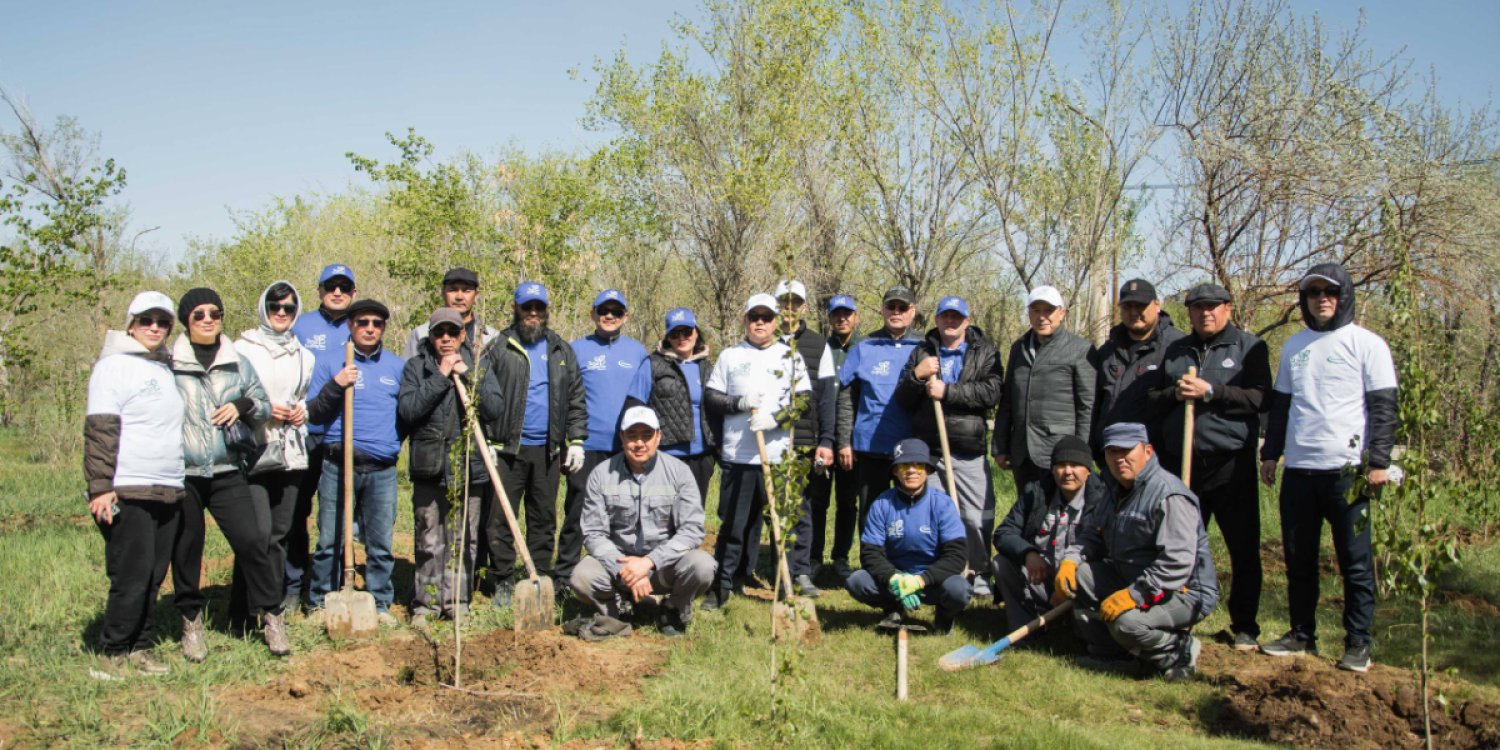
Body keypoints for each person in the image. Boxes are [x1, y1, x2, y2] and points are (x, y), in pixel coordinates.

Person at [1259, 263, 1397, 672]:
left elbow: (1383, 408)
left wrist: (1378, 462)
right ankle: (1302, 634)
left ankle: (1358, 643)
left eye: (1330, 292)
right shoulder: (1294, 346)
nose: (1322, 299)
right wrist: (1270, 454)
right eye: (1313, 292)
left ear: (1344, 296)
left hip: (1348, 473)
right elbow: (1281, 406)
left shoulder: (1367, 344)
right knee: (1298, 559)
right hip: (1300, 470)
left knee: (1354, 562)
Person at [1150, 282, 1271, 652]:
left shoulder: (1248, 348)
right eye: (1198, 307)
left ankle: (1245, 625)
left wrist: (1212, 392)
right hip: (1184, 466)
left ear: (1227, 308)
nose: (1206, 313)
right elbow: (1154, 397)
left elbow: (1260, 398)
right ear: (1189, 312)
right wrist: (1175, 393)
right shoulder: (1175, 350)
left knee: (1242, 547)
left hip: (1230, 464)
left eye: (1213, 306)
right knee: (1180, 545)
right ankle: (1179, 616)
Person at [1057, 423, 1218, 681]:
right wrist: (1070, 560)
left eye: (1127, 451)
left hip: (1183, 591)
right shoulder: (1114, 490)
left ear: (1147, 451)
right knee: (1080, 576)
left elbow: (1176, 563)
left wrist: (1134, 595)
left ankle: (1178, 651)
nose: (1119, 458)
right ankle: (1113, 656)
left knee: (1127, 624)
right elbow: (1093, 537)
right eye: (1113, 452)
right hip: (1132, 577)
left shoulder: (1169, 494)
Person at [168, 288, 279, 659]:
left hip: (227, 469)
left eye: (214, 313)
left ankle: (272, 616)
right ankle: (191, 623)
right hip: (184, 472)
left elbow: (263, 406)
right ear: (186, 320)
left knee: (252, 541)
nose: (208, 320)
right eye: (198, 314)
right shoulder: (170, 364)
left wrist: (241, 405)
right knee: (187, 548)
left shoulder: (237, 362)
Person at [84, 291, 185, 680]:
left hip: (167, 485)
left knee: (154, 576)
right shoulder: (113, 367)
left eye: (163, 322)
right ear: (131, 325)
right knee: (131, 574)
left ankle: (140, 647)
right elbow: (100, 430)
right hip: (128, 487)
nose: (155, 328)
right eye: (146, 320)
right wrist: (100, 487)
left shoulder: (163, 367)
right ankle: (113, 651)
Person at [477, 282, 587, 605]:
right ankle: (502, 578)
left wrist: (576, 440)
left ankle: (537, 576)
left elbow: (576, 397)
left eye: (539, 307)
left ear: (546, 311)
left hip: (548, 451)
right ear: (516, 308)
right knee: (500, 518)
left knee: (543, 519)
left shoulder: (560, 350)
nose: (534, 313)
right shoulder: (499, 347)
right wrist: (487, 440)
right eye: (527, 307)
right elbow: (480, 395)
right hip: (506, 450)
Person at [702, 293, 812, 610]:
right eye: (754, 317)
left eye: (766, 317)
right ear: (745, 320)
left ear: (776, 321)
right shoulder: (730, 356)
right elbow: (711, 397)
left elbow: (804, 401)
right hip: (738, 457)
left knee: (781, 528)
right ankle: (723, 587)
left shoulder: (789, 356)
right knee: (733, 527)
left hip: (778, 459)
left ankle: (784, 588)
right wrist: (738, 403)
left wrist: (777, 419)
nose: (760, 322)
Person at [570, 406, 716, 638]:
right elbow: (594, 533)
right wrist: (624, 569)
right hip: (618, 566)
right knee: (581, 576)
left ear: (658, 437)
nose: (639, 443)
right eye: (632, 435)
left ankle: (673, 609)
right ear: (622, 437)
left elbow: (692, 530)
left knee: (703, 566)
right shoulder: (601, 474)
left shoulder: (679, 472)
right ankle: (615, 611)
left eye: (646, 435)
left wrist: (649, 562)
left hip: (663, 567)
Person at [894, 295, 1003, 596]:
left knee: (977, 515)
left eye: (957, 317)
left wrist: (948, 391)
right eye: (945, 316)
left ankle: (979, 571)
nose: (950, 321)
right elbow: (903, 399)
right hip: (930, 449)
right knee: (933, 516)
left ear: (967, 321)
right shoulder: (922, 352)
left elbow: (992, 393)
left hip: (968, 448)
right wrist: (917, 376)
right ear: (937, 320)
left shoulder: (985, 352)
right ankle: (943, 571)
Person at [306, 299, 404, 625]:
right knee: (329, 540)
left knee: (380, 543)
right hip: (339, 464)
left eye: (377, 323)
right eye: (363, 322)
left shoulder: (395, 366)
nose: (370, 329)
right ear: (350, 325)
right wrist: (337, 384)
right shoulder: (329, 361)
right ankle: (321, 602)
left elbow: (404, 416)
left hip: (382, 469)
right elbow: (315, 413)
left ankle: (380, 603)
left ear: (384, 328)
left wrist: (389, 445)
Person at [234, 281, 316, 640]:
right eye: (274, 306)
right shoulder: (243, 349)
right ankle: (243, 610)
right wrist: (265, 410)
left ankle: (273, 609)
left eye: (288, 307)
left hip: (290, 453)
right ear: (263, 308)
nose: (281, 313)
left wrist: (302, 412)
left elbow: (305, 397)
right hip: (255, 450)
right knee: (256, 535)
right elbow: (232, 397)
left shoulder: (304, 355)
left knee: (281, 534)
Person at [397, 307, 485, 627]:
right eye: (439, 332)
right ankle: (427, 603)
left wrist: (468, 375)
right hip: (429, 466)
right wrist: (440, 376)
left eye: (452, 332)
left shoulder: (477, 364)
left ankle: (457, 602)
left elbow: (495, 408)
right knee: (429, 538)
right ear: (430, 336)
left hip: (468, 466)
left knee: (463, 538)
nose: (446, 338)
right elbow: (408, 411)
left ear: (463, 335)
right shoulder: (416, 367)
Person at [556, 289, 649, 588]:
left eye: (616, 311)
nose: (609, 316)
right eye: (603, 310)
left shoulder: (638, 353)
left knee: (624, 515)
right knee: (578, 511)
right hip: (586, 446)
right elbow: (564, 398)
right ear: (593, 314)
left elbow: (647, 399)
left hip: (626, 448)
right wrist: (569, 441)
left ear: (626, 316)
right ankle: (564, 576)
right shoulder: (575, 349)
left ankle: (618, 575)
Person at [286, 262, 358, 612]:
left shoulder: (359, 326)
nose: (337, 292)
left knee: (338, 514)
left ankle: (335, 582)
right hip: (302, 434)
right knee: (296, 511)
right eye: (331, 286)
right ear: (320, 291)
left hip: (341, 436)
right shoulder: (300, 326)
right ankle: (293, 584)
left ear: (353, 293)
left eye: (344, 287)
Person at [844, 438, 970, 634]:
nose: (911, 470)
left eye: (918, 464)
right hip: (895, 581)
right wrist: (895, 579)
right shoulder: (881, 505)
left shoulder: (943, 505)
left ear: (927, 470)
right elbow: (870, 554)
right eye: (904, 465)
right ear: (895, 471)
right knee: (857, 581)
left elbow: (956, 556)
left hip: (932, 581)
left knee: (959, 590)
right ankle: (892, 608)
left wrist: (921, 580)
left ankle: (944, 617)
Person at [991, 436, 1107, 632]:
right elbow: (1004, 532)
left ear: (1088, 470)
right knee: (1001, 562)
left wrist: (1068, 583)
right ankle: (1025, 629)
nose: (1067, 472)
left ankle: (1081, 628)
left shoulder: (1103, 499)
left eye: (1075, 465)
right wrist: (1028, 553)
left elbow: (1105, 550)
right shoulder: (1036, 492)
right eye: (1061, 465)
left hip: (1079, 581)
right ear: (1052, 469)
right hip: (1041, 576)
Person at [994, 285, 1097, 492]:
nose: (1042, 317)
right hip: (1022, 452)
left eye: (1048, 310)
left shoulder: (1080, 350)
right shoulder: (1019, 348)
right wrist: (1000, 446)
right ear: (1029, 314)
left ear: (1062, 313)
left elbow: (1087, 407)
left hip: (1060, 453)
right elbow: (1008, 401)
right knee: (1026, 508)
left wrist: (1080, 454)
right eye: (1036, 310)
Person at [836, 286, 921, 534]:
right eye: (891, 306)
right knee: (871, 513)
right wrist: (844, 441)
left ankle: (905, 556)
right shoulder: (864, 346)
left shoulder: (924, 347)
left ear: (912, 311)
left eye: (902, 307)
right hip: (871, 446)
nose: (896, 312)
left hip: (910, 447)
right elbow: (846, 398)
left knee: (909, 514)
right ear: (882, 310)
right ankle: (871, 557)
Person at [776, 280, 837, 599]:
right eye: (783, 301)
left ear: (803, 307)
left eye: (795, 302)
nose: (789, 307)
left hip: (804, 442)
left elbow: (827, 398)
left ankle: (800, 570)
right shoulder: (764, 340)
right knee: (772, 508)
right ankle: (770, 567)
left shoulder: (818, 344)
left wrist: (826, 440)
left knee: (802, 508)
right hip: (770, 441)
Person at [624, 307, 716, 500]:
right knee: (662, 512)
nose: (681, 338)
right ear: (667, 337)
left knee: (694, 511)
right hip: (666, 455)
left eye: (687, 331)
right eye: (675, 334)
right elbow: (634, 407)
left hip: (703, 456)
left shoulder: (707, 367)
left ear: (696, 332)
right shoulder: (652, 364)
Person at [1092, 279, 1183, 451]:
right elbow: (1095, 402)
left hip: (1157, 454)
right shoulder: (1108, 350)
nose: (1134, 312)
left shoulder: (1177, 347)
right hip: (1112, 452)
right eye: (1127, 307)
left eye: (1141, 306)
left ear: (1157, 305)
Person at [821, 293, 862, 582]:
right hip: (823, 438)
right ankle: (813, 558)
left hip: (852, 439)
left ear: (855, 317)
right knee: (817, 502)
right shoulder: (822, 349)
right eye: (836, 314)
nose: (842, 319)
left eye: (847, 314)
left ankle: (840, 557)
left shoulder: (865, 349)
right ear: (830, 318)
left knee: (847, 503)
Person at [401, 266, 501, 358]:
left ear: (476, 296)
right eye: (453, 290)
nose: (459, 297)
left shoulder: (492, 338)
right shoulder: (421, 334)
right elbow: (409, 369)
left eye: (466, 291)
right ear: (443, 293)